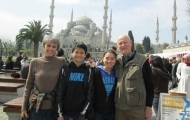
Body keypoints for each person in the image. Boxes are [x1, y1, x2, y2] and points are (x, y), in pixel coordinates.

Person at [21, 35, 67, 120]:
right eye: (48, 45)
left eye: (54, 46)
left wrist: (87, 66)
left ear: (57, 48)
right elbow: (28, 86)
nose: (51, 49)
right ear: (43, 46)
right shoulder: (35, 62)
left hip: (53, 108)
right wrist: (23, 107)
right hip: (36, 107)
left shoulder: (61, 62)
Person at [114, 35, 154, 120]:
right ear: (117, 46)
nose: (123, 45)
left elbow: (150, 84)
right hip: (119, 108)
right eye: (120, 43)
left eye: (125, 42)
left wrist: (148, 106)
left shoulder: (142, 60)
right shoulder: (117, 61)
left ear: (131, 43)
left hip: (136, 109)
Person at [56, 42, 93, 120]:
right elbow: (60, 91)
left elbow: (90, 92)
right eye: (76, 52)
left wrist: (84, 110)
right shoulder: (65, 69)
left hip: (80, 112)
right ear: (72, 53)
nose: (79, 55)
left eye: (81, 53)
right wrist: (60, 113)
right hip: (65, 111)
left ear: (85, 54)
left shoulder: (88, 70)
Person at [93, 49, 117, 120]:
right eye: (107, 58)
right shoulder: (96, 72)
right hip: (97, 112)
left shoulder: (117, 73)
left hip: (112, 112)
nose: (109, 61)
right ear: (103, 59)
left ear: (115, 60)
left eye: (112, 59)